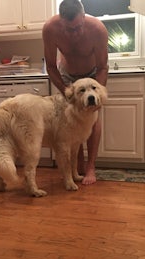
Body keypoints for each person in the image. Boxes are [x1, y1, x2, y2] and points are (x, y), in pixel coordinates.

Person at [42, 0, 108, 185]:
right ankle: (76, 165)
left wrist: (99, 94)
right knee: (72, 121)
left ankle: (90, 167)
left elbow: (103, 66)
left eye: (79, 27)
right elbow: (50, 65)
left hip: (92, 74)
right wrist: (65, 90)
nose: (75, 33)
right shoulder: (50, 29)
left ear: (84, 17)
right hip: (68, 76)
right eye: (69, 30)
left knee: (93, 118)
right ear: (61, 21)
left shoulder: (97, 29)